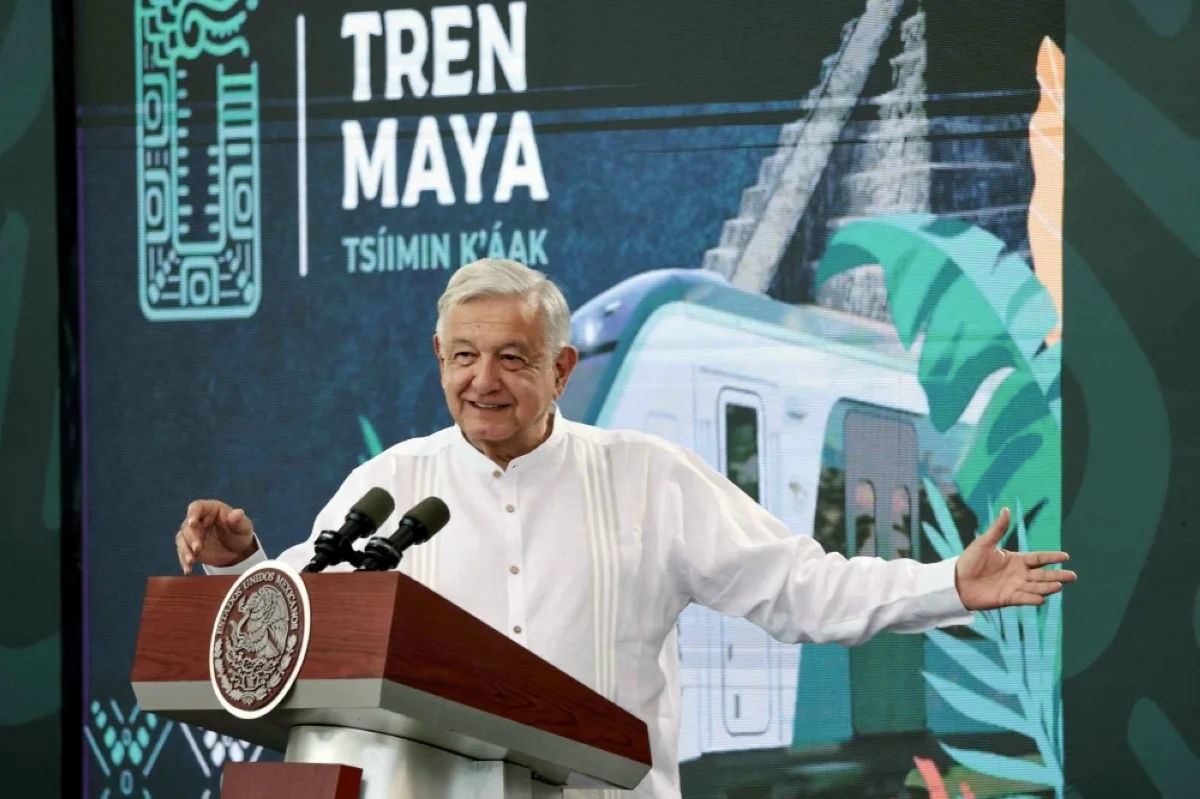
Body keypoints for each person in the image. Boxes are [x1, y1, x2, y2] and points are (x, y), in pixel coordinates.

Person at [174, 258, 1075, 798]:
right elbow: (299, 625)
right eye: (462, 356)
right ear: (439, 362)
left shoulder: (648, 477)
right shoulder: (388, 486)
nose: (482, 379)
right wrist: (241, 567)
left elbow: (801, 584)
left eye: (512, 358)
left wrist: (947, 583)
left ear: (561, 368)